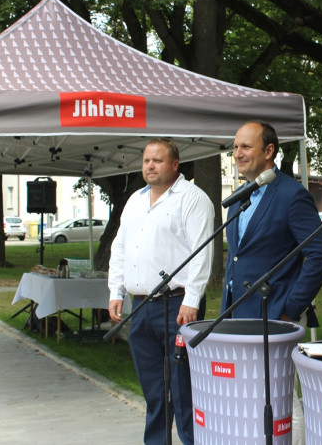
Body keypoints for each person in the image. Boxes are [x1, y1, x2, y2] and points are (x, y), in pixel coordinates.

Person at [108, 138, 214, 445]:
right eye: (146, 161)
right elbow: (120, 249)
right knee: (153, 388)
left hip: (177, 305)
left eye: (157, 160)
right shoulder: (135, 201)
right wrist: (116, 290)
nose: (150, 166)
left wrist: (192, 299)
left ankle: (193, 440)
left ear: (175, 165)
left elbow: (202, 253)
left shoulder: (191, 199)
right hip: (140, 306)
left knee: (182, 387)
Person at [221, 120, 322, 327]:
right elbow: (236, 256)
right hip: (234, 312)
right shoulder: (237, 196)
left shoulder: (292, 195)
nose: (237, 154)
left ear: (269, 151)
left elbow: (321, 255)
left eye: (246, 147)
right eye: (235, 147)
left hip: (273, 314)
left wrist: (291, 309)